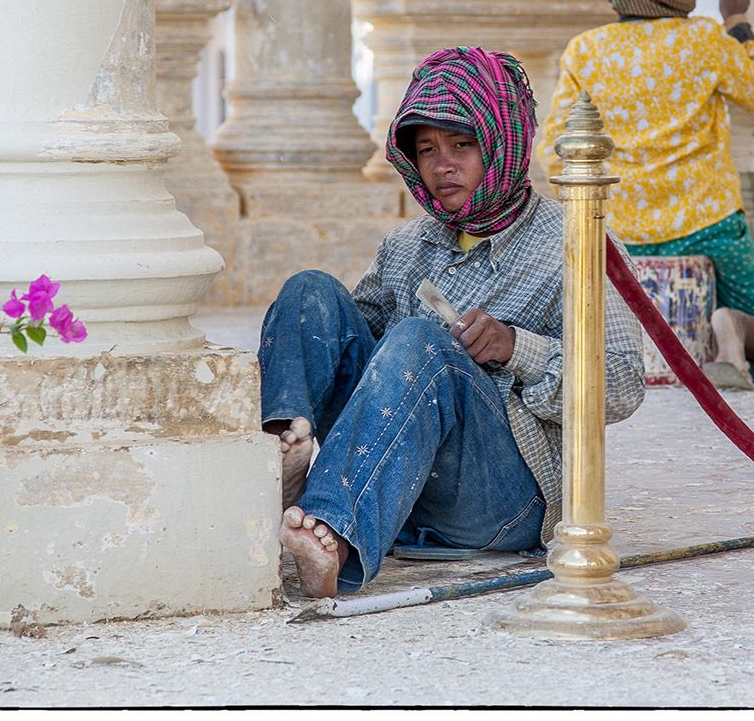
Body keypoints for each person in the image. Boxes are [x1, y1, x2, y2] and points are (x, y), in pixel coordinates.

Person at [258, 46, 645, 598]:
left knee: (422, 341)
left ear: (503, 142)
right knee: (310, 292)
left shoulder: (575, 243)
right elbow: (354, 352)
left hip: (504, 502)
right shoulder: (407, 245)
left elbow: (624, 385)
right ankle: (282, 453)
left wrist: (516, 348)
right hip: (404, 486)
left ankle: (333, 534)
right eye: (427, 150)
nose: (442, 166)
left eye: (462, 145)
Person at [538, 0, 754, 390]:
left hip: (617, 234)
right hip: (709, 224)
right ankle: (733, 327)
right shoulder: (704, 40)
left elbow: (555, 148)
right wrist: (738, 22)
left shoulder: (586, 50)